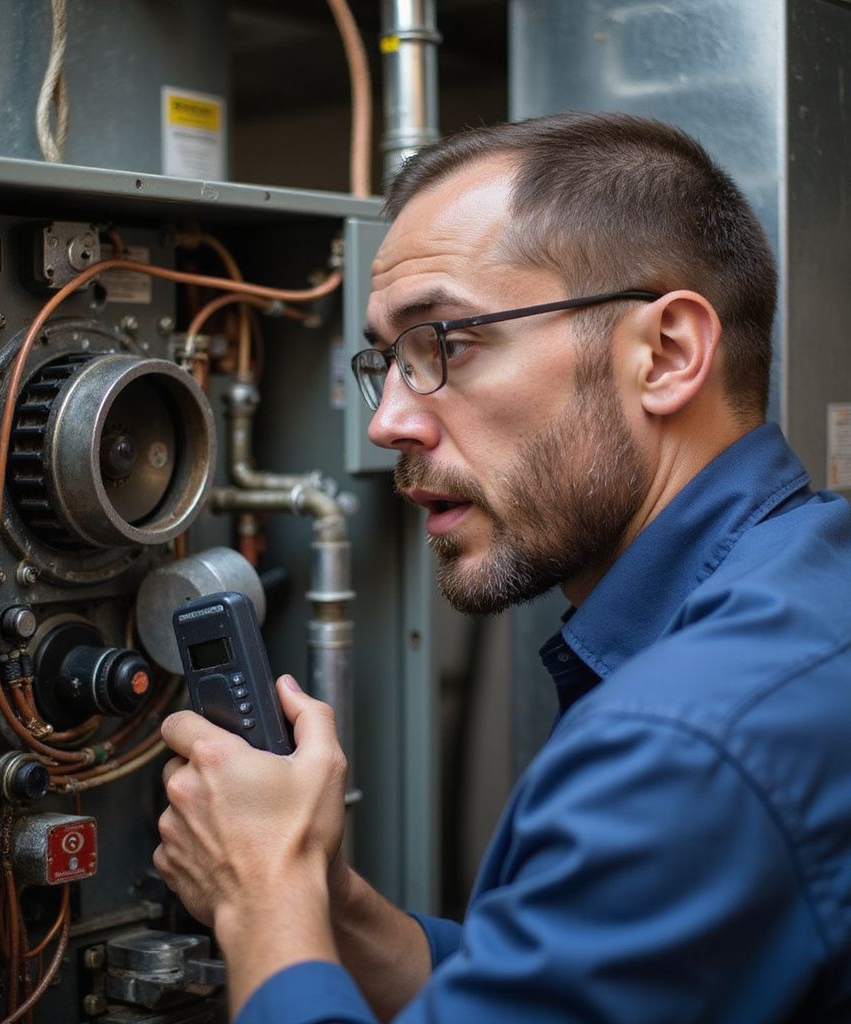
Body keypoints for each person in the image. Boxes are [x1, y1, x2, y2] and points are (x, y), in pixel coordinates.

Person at [153, 112, 851, 1022]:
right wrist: (331, 903)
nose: (386, 422)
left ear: (668, 355)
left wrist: (261, 891)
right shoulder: (804, 580)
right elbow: (533, 986)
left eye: (444, 342)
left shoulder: (685, 745)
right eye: (387, 361)